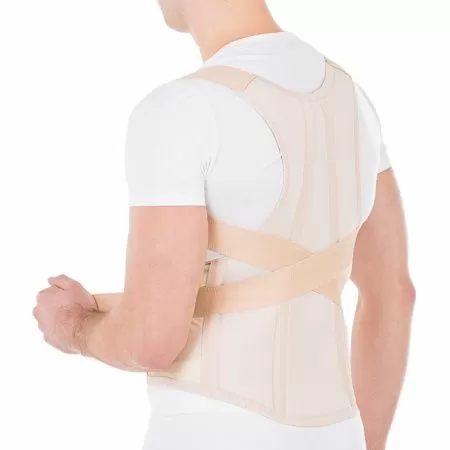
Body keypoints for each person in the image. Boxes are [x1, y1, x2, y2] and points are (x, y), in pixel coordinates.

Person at [33, 1, 416, 449]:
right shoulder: (352, 101)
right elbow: (394, 295)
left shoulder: (179, 110)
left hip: (212, 431)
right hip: (338, 432)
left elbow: (152, 339)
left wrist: (74, 326)